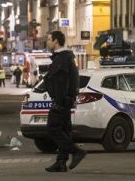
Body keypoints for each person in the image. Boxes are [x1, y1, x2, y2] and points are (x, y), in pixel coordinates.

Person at [44, 31, 86, 172]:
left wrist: (59, 102)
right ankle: (61, 162)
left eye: (49, 39)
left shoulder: (62, 58)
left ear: (56, 41)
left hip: (61, 101)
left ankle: (76, 151)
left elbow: (62, 83)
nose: (47, 42)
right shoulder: (66, 57)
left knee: (53, 129)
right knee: (64, 130)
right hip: (66, 100)